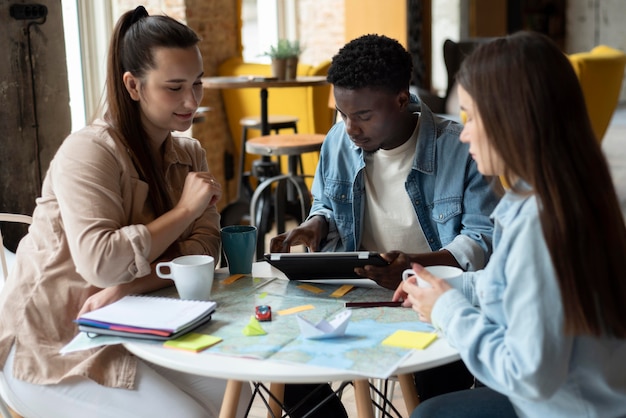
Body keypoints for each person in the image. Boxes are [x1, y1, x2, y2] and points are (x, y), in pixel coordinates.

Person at [0, 7, 251, 417]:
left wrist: (129, 288)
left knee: (236, 391)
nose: (191, 100)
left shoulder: (189, 153)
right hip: (52, 342)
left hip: (135, 321)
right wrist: (186, 210)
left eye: (197, 84)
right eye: (174, 87)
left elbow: (205, 250)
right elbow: (102, 264)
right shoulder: (89, 151)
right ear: (133, 86)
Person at [396, 31, 626, 418]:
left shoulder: (542, 223)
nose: (464, 132)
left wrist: (447, 309)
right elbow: (515, 284)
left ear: (513, 119)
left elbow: (528, 375)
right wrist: (448, 286)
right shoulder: (564, 191)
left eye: (471, 116)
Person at [273, 34, 500, 413]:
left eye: (362, 116)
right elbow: (327, 202)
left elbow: (481, 240)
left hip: (434, 297)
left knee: (437, 388)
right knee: (285, 367)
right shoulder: (337, 141)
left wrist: (413, 268)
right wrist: (317, 223)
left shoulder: (460, 148)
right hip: (355, 295)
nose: (350, 128)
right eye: (342, 114)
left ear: (400, 99)